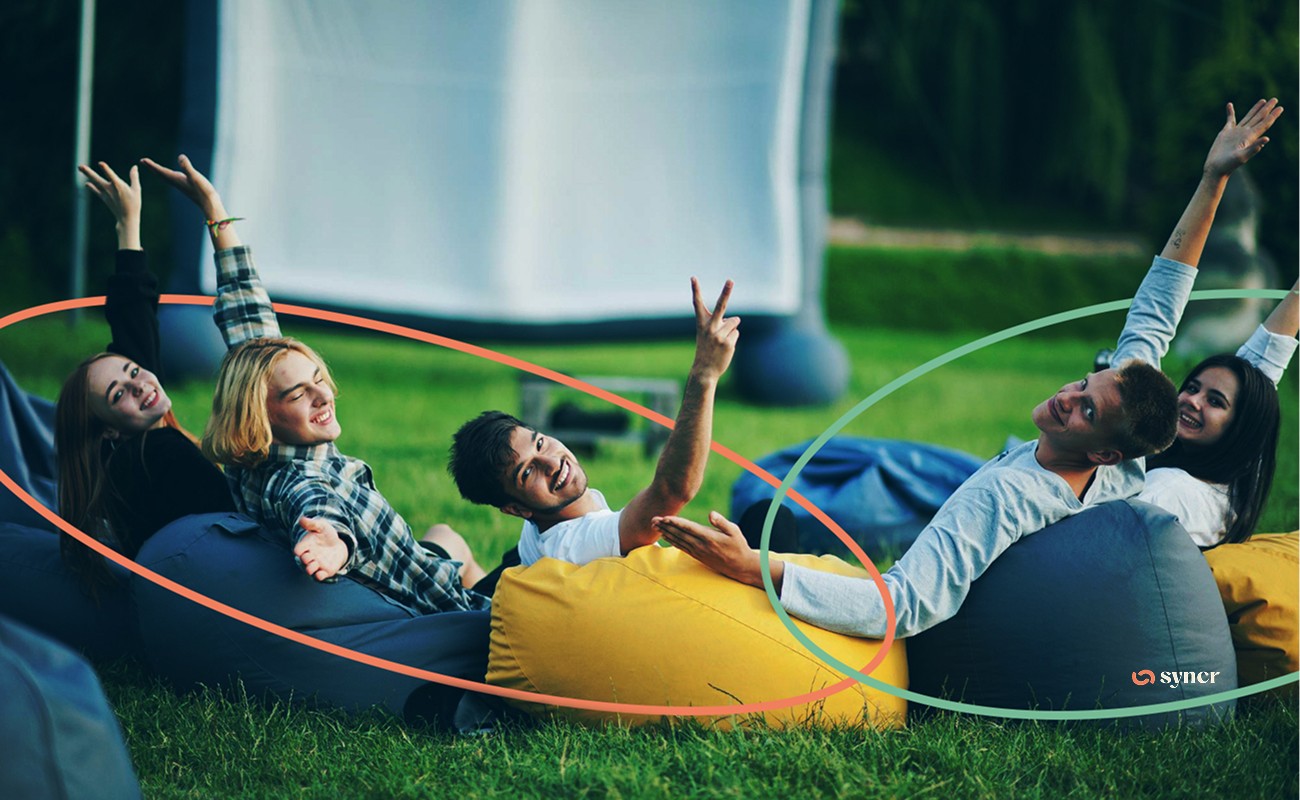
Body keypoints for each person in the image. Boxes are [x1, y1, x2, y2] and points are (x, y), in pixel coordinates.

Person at [653, 97, 1284, 640]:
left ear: (1104, 454)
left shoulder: (1011, 498)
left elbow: (903, 605)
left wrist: (756, 569)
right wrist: (1212, 181)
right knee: (820, 470)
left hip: (958, 612)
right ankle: (785, 519)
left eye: (1086, 409)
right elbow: (1157, 310)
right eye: (1083, 384)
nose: (1068, 395)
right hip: (995, 495)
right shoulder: (1126, 458)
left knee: (841, 500)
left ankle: (783, 535)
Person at [145, 156, 489, 615]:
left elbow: (249, 314)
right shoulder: (298, 478)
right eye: (298, 394)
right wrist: (330, 543)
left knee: (447, 536)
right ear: (259, 413)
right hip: (443, 612)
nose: (323, 394)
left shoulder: (262, 449)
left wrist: (214, 210)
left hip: (423, 569)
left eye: (319, 378)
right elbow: (314, 505)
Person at [447, 278, 740, 566]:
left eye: (540, 443)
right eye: (527, 473)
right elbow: (671, 491)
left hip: (504, 573)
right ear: (515, 509)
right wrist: (705, 374)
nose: (551, 463)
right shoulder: (573, 545)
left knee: (447, 538)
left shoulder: (541, 527)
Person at [56, 162, 236, 592]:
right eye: (119, 394)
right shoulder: (158, 455)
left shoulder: (125, 452)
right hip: (234, 591)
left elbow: (132, 328)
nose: (140, 384)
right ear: (108, 433)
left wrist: (128, 224)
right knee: (433, 534)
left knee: (434, 535)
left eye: (135, 371)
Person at [1141, 279, 1297, 547]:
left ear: (1241, 429)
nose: (1192, 401)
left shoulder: (1166, 488)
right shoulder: (1231, 493)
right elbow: (1265, 364)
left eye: (1215, 401)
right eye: (1191, 388)